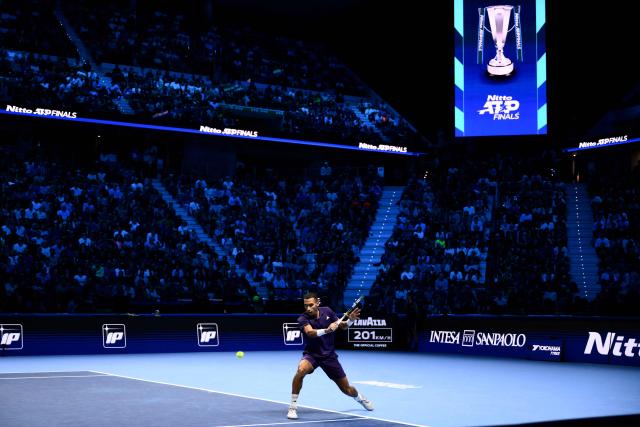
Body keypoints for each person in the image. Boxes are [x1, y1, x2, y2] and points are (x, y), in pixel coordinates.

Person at [287, 292, 374, 420]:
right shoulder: (302, 318)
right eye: (306, 306)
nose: (308, 308)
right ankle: (293, 407)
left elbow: (342, 326)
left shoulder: (327, 311)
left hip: (329, 356)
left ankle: (360, 398)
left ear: (317, 303)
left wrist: (350, 321)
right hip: (312, 355)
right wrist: (327, 330)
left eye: (311, 305)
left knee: (347, 389)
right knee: (301, 370)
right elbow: (310, 333)